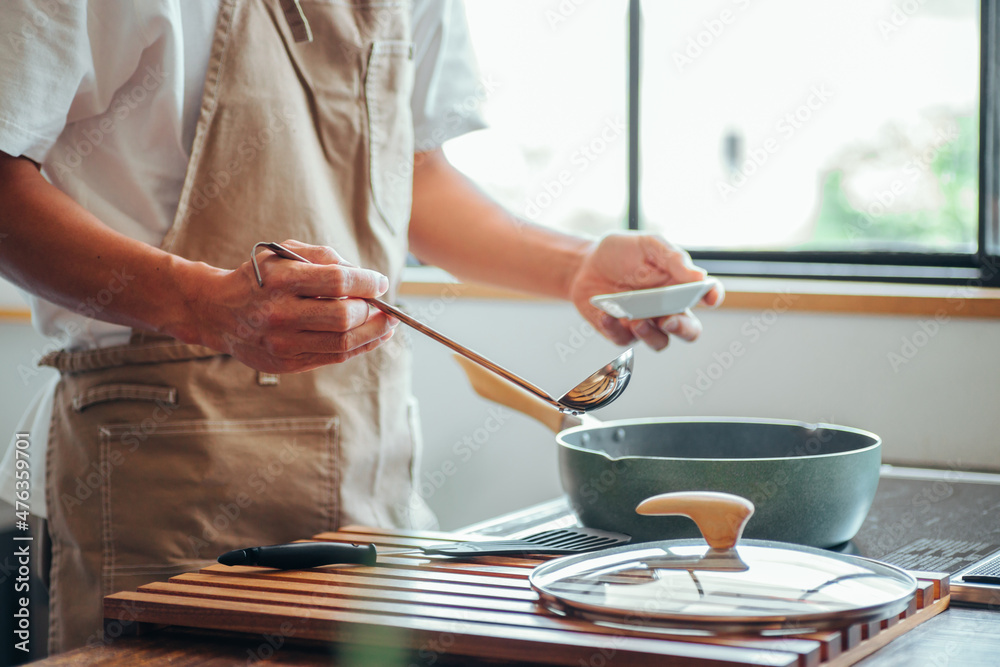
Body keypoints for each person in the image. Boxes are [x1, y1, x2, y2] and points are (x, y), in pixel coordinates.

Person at [0, 0, 722, 654]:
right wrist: (203, 304)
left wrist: (573, 265)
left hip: (369, 466)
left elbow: (415, 171)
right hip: (166, 476)